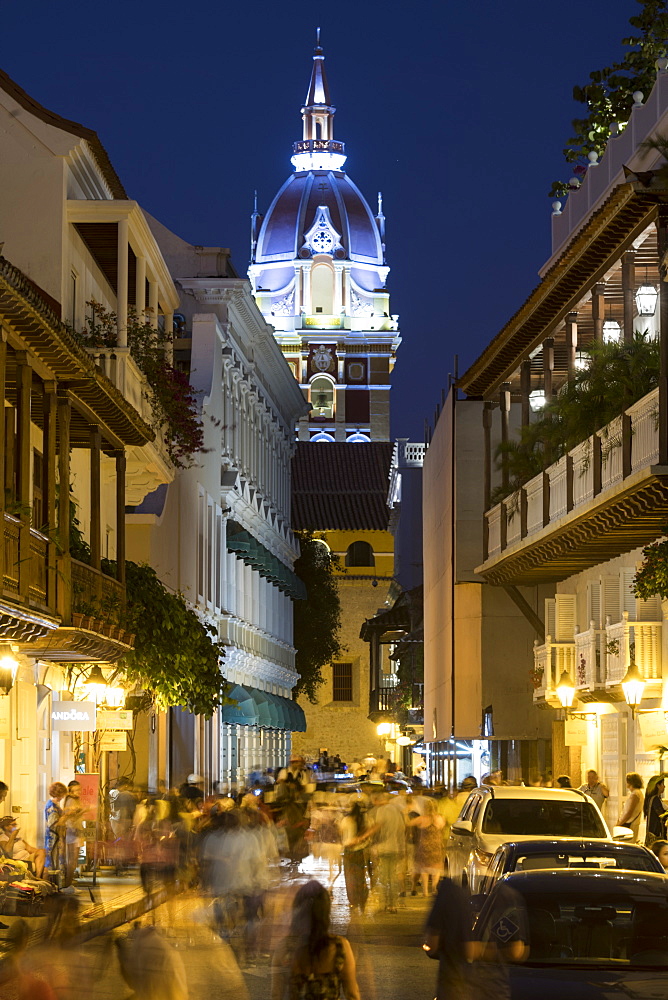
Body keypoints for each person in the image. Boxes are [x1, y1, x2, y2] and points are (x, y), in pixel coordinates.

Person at [271, 879, 361, 1000]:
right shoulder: (340, 947)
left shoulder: (284, 948)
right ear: (325, 912)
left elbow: (276, 995)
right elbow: (352, 994)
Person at [424, 875, 474, 1000]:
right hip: (470, 976)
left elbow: (432, 943)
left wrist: (428, 947)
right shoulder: (465, 902)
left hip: (450, 976)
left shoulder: (442, 900)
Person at [366, 789, 405, 913]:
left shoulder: (382, 810)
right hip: (394, 848)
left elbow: (378, 827)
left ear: (377, 800)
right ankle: (393, 904)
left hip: (383, 848)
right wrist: (402, 848)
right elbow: (401, 829)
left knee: (383, 877)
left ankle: (383, 904)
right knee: (392, 876)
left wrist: (363, 836)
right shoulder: (395, 810)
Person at [409, 797, 446, 896]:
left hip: (424, 845)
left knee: (424, 869)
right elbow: (442, 830)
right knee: (436, 868)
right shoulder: (440, 818)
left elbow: (408, 823)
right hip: (436, 845)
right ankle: (434, 887)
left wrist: (406, 812)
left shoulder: (422, 819)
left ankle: (425, 891)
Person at [340, 800, 370, 915]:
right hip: (359, 853)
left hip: (348, 853)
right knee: (360, 878)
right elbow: (367, 838)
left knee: (350, 879)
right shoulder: (363, 821)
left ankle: (353, 902)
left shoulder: (346, 820)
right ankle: (362, 900)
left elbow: (341, 833)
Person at [61, 780, 87, 891]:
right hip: (73, 832)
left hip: (75, 831)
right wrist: (84, 811)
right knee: (72, 859)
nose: (79, 792)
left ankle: (69, 884)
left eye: (80, 790)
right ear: (70, 791)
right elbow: (70, 819)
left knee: (73, 860)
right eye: (76, 790)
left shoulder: (75, 800)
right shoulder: (71, 800)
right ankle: (67, 885)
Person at [44, 781, 67, 871]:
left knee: (54, 858)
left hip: (56, 835)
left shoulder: (54, 804)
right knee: (52, 859)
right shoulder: (52, 806)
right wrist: (66, 816)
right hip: (53, 836)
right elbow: (53, 823)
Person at [617, 772, 644, 842]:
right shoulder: (638, 793)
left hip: (630, 825)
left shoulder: (635, 794)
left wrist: (619, 823)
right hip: (633, 824)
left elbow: (629, 812)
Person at [644, 774, 667, 846]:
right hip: (656, 835)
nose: (664, 786)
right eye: (662, 784)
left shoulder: (653, 799)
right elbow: (661, 815)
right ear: (658, 786)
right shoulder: (655, 799)